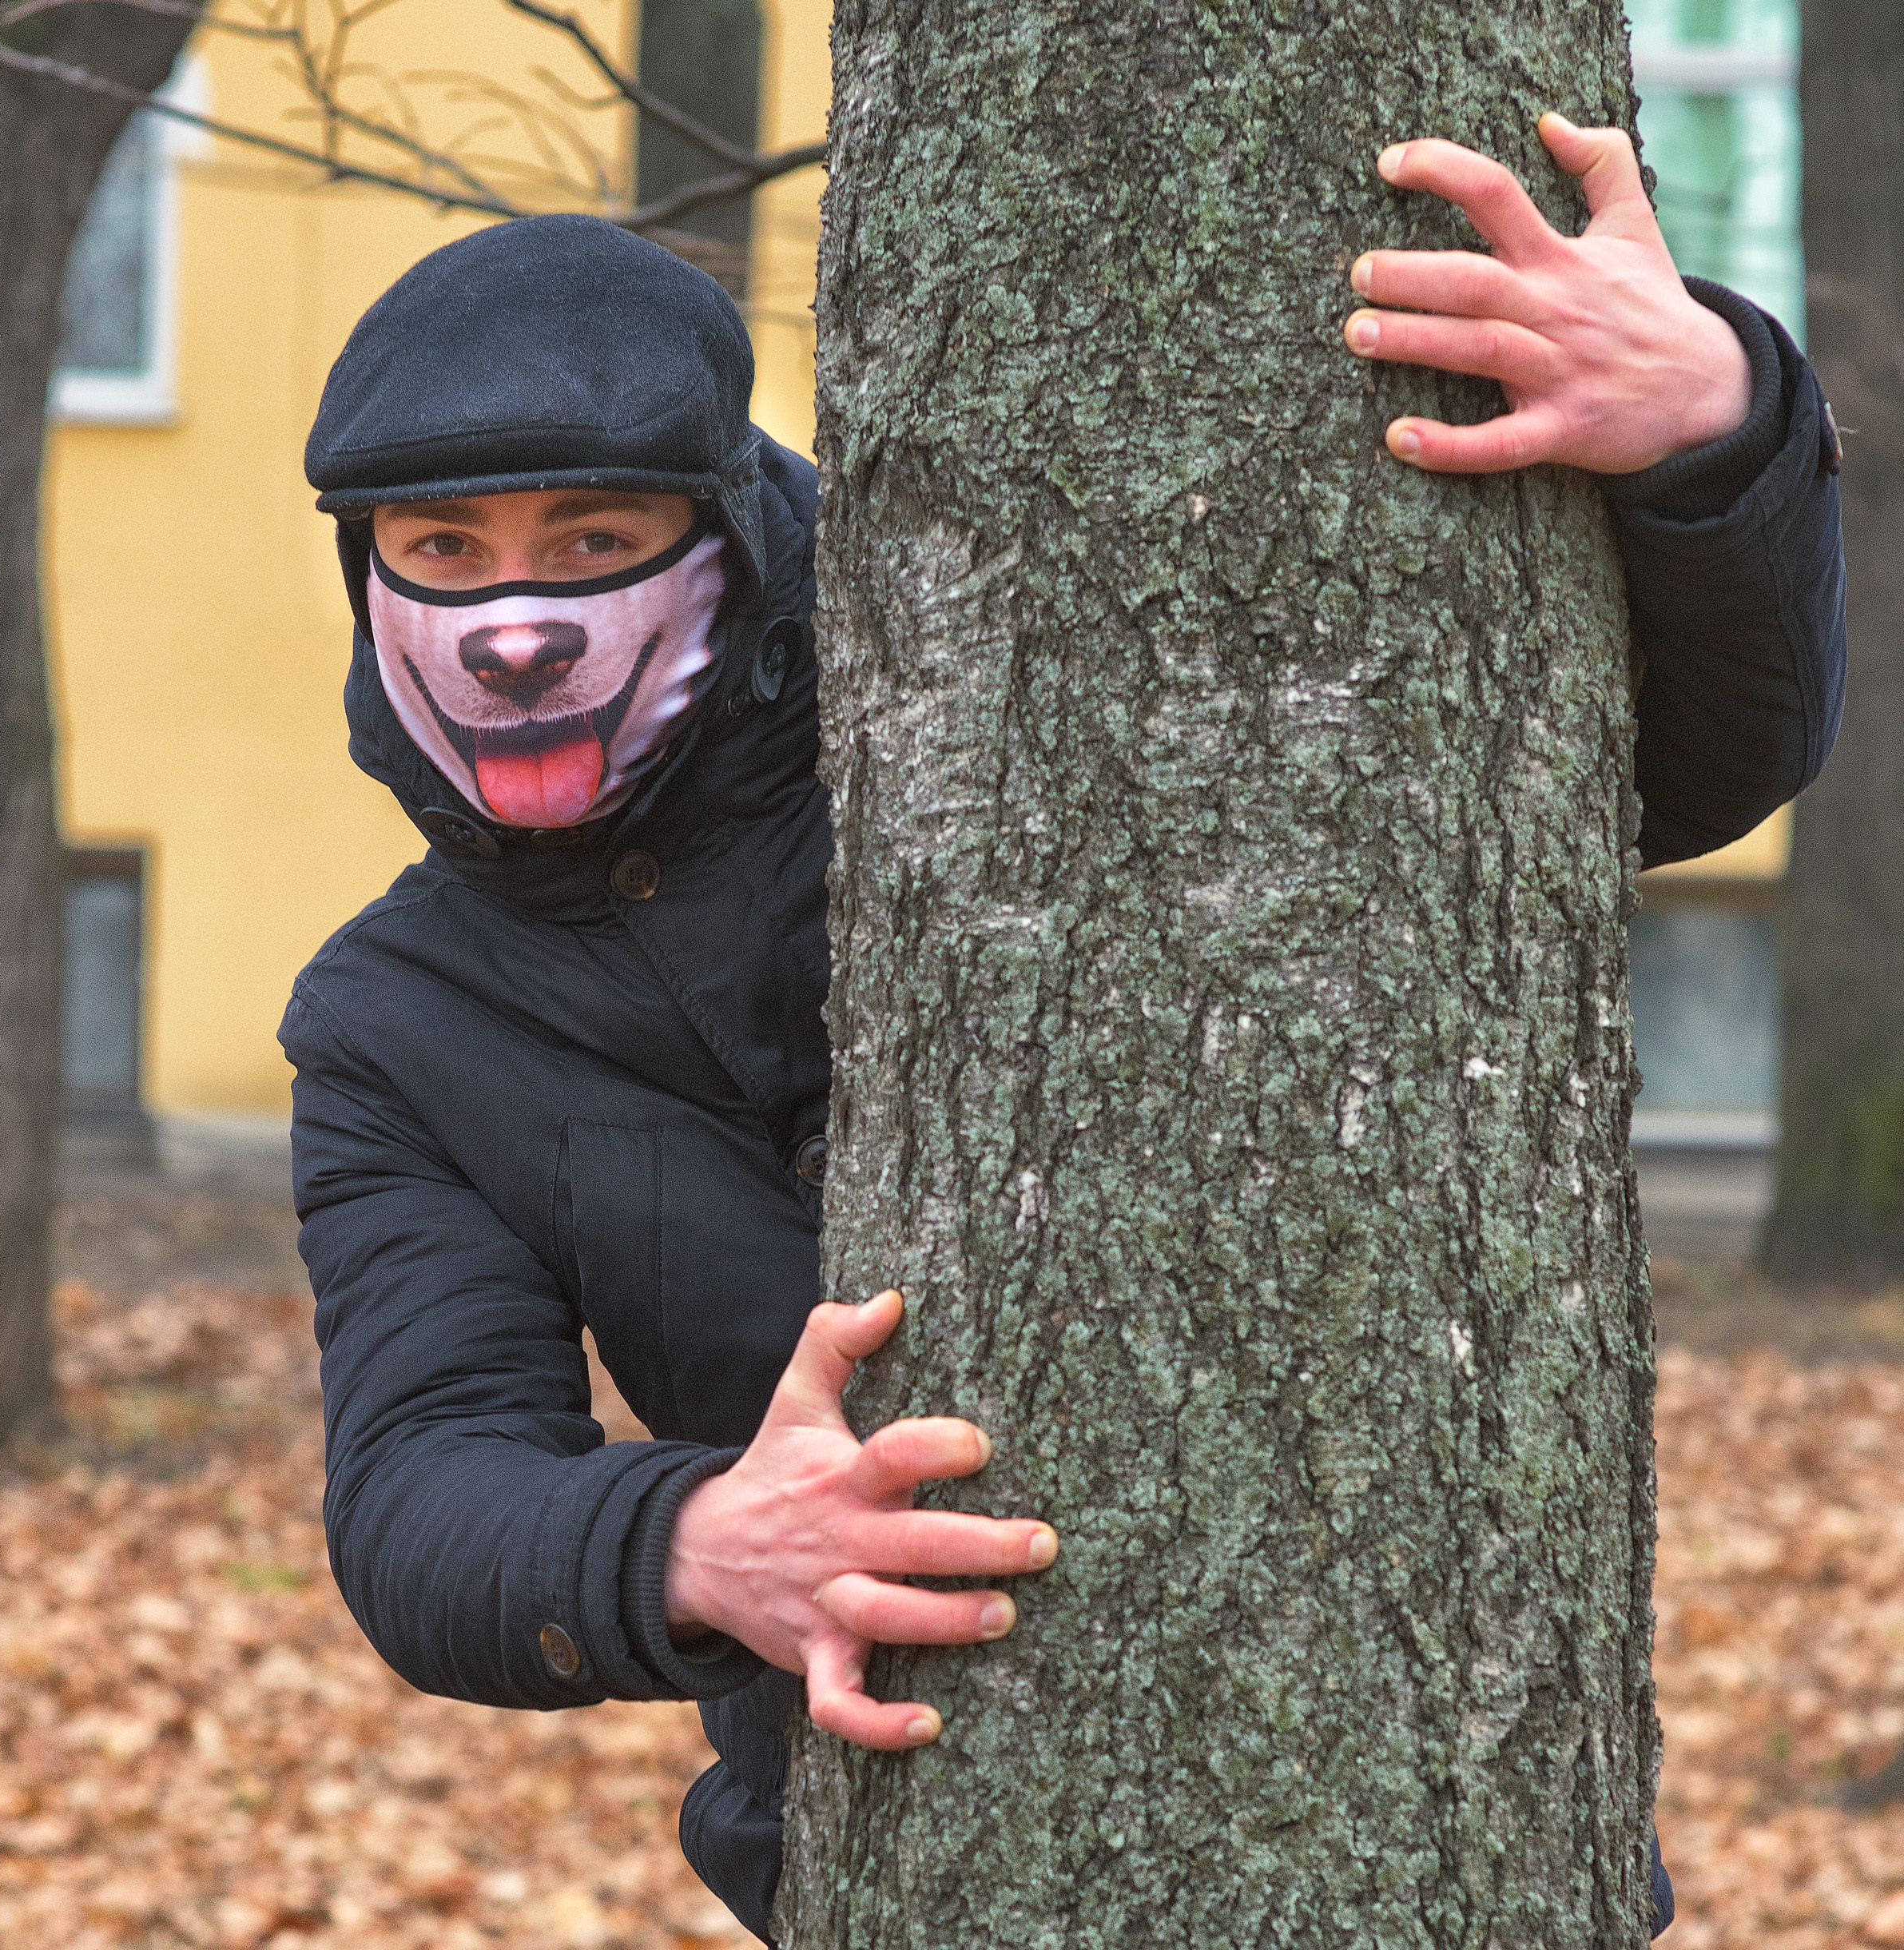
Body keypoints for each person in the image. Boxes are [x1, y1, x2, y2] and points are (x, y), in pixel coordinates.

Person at [286, 115, 1845, 1943]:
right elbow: (418, 1487)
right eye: (443, 547)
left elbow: (1667, 774)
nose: (513, 620)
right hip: (903, 1827)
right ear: (365, 569)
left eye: (596, 535)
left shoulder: (957, 664)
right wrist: (689, 1541)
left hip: (1407, 1776)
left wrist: (1719, 425)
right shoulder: (398, 1019)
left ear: (713, 520)